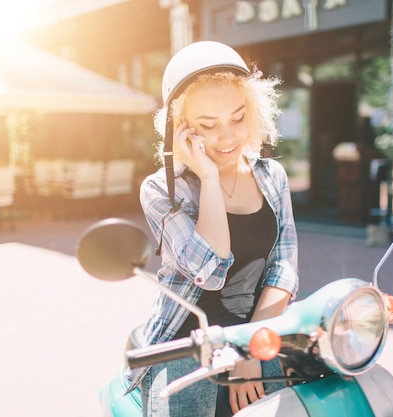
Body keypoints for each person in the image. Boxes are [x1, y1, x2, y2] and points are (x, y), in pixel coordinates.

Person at [137, 41, 299, 417]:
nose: (228, 137)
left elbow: (284, 267)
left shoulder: (271, 175)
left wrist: (251, 346)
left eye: (238, 117)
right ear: (182, 131)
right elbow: (209, 272)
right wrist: (209, 180)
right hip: (187, 342)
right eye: (208, 126)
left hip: (260, 329)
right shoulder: (163, 189)